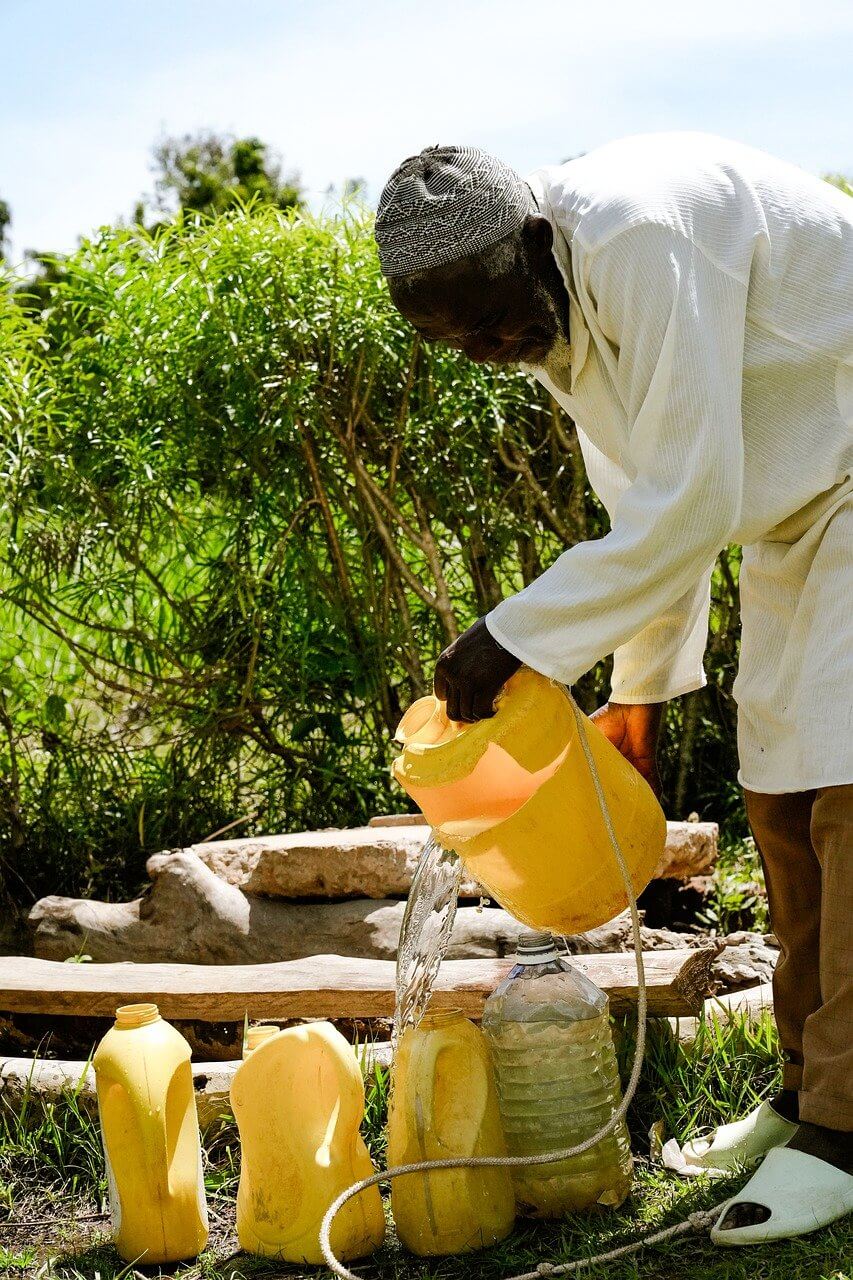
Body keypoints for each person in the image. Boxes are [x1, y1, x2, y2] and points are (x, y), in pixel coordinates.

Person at [374, 135, 852, 1245]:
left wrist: (508, 639)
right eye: (459, 342)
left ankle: (846, 1128)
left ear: (539, 239)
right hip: (801, 508)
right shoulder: (547, 319)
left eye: (493, 319)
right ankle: (804, 1088)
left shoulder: (637, 234)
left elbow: (691, 499)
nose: (492, 350)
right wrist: (638, 692)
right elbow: (649, 505)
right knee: (783, 792)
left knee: (847, 794)